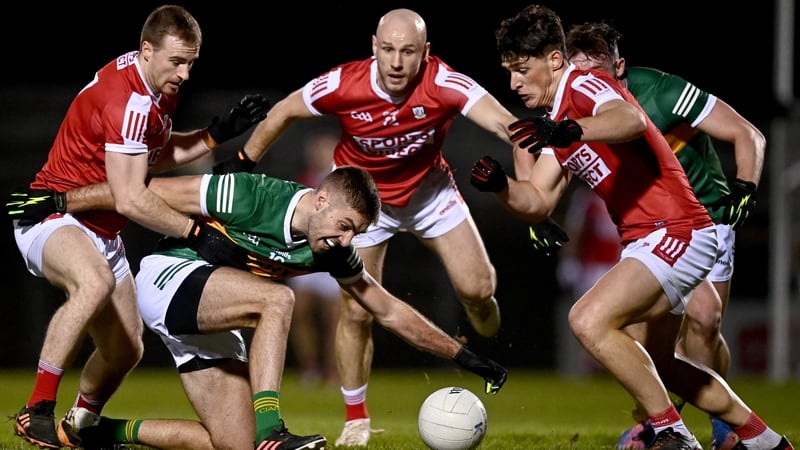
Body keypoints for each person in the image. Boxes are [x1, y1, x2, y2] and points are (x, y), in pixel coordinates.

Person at [470, 4, 792, 450]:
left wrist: (572, 131)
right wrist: (501, 186)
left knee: (587, 319)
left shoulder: (584, 83)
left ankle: (671, 433)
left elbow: (630, 119)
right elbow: (538, 200)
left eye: (522, 70)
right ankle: (765, 440)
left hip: (677, 229)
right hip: (651, 237)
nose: (514, 83)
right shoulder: (560, 116)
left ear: (555, 60)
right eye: (509, 72)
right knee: (662, 362)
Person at [8, 166, 508, 449]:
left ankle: (96, 433)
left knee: (233, 446)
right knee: (278, 299)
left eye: (355, 231)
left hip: (217, 307)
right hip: (167, 275)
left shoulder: (332, 249)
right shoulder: (251, 194)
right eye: (346, 224)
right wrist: (60, 203)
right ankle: (275, 428)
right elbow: (146, 193)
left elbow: (389, 309)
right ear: (320, 200)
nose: (347, 238)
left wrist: (463, 357)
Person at [212, 8, 519, 446]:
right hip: (362, 202)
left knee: (477, 287)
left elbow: (505, 124)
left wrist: (539, 163)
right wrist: (244, 161)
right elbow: (283, 112)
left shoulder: (444, 82)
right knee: (355, 309)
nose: (396, 62)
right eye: (388, 50)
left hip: (429, 194)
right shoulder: (344, 83)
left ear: (425, 54)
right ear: (373, 47)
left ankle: (478, 311)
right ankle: (356, 418)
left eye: (408, 52)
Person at [5, 5, 269, 449]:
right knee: (92, 282)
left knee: (127, 349)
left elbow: (149, 160)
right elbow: (130, 195)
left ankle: (80, 427)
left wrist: (215, 133)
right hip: (54, 215)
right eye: (177, 61)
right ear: (147, 50)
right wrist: (195, 232)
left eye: (191, 63)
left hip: (103, 231)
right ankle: (37, 411)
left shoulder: (154, 88)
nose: (185, 74)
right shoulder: (131, 100)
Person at [561, 21, 766, 449]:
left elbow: (746, 133)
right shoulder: (579, 106)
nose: (588, 84)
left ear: (619, 66)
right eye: (578, 74)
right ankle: (658, 423)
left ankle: (727, 427)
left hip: (709, 215)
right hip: (650, 225)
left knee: (704, 320)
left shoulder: (661, 92)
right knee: (637, 336)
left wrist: (745, 187)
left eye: (597, 72)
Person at [287, 130, 342, 387]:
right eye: (315, 149)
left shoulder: (343, 182)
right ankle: (310, 367)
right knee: (300, 312)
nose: (318, 154)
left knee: (335, 317)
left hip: (334, 256)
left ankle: (333, 370)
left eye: (324, 148)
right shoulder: (304, 181)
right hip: (306, 255)